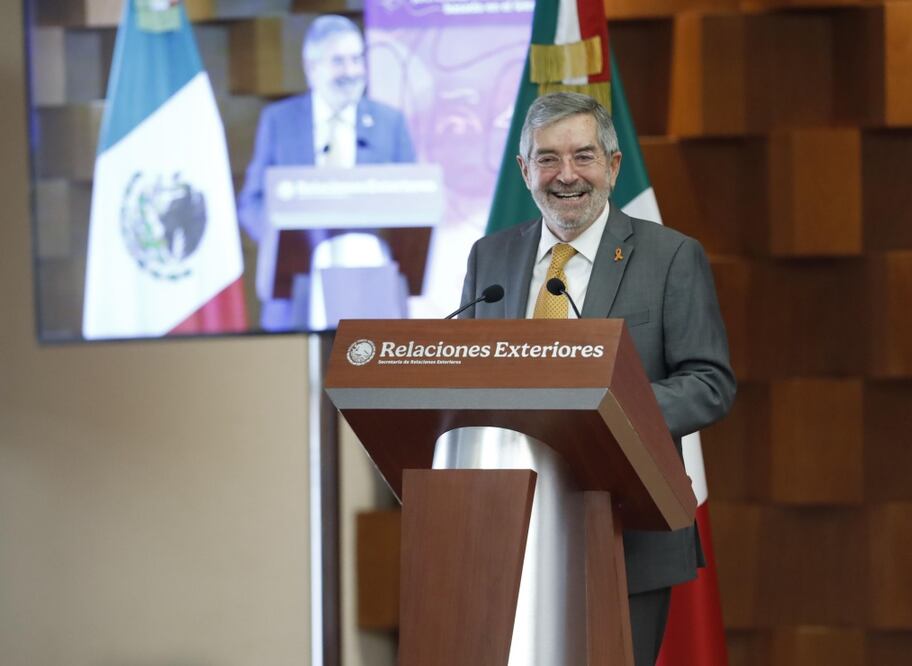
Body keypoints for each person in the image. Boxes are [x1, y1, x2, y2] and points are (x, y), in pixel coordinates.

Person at [458, 92, 736, 665]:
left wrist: (607, 413)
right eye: (548, 159)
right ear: (524, 170)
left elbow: (709, 382)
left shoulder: (669, 257)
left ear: (612, 165)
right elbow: (471, 373)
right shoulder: (489, 258)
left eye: (583, 157)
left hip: (625, 531)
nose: (566, 176)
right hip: (507, 529)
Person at [237, 15, 416, 331]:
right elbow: (252, 202)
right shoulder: (280, 121)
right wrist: (281, 239)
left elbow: (415, 201)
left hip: (371, 289)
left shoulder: (390, 123)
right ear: (312, 67)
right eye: (338, 61)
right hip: (298, 292)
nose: (351, 71)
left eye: (356, 59)